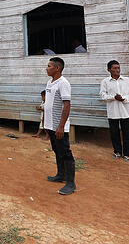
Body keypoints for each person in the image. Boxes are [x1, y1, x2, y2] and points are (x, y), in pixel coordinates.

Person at [44, 57, 76, 195]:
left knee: (65, 152)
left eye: (49, 66)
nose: (46, 68)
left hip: (59, 126)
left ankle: (71, 183)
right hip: (51, 125)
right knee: (57, 150)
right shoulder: (50, 82)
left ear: (57, 68)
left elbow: (67, 105)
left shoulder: (63, 83)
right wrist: (46, 125)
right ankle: (61, 174)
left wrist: (61, 126)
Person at [100, 60, 129, 161]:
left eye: (118, 68)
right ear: (109, 70)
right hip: (113, 112)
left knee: (127, 133)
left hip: (125, 111)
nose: (117, 70)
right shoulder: (105, 82)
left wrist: (123, 99)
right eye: (114, 68)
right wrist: (113, 97)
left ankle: (127, 154)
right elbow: (103, 95)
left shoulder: (127, 81)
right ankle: (117, 152)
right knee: (114, 133)